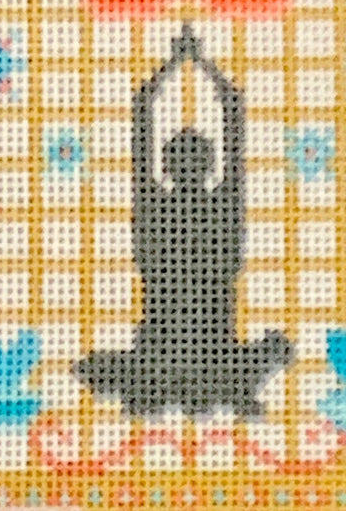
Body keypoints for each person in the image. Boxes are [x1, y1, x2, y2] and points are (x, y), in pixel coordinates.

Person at [73, 24, 294, 416]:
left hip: (185, 348)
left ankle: (160, 388)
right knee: (268, 352)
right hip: (202, 349)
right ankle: (205, 387)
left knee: (270, 350)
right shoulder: (211, 205)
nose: (190, 165)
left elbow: (149, 120)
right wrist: (198, 65)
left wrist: (177, 65)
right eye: (187, 157)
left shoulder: (163, 206)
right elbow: (228, 119)